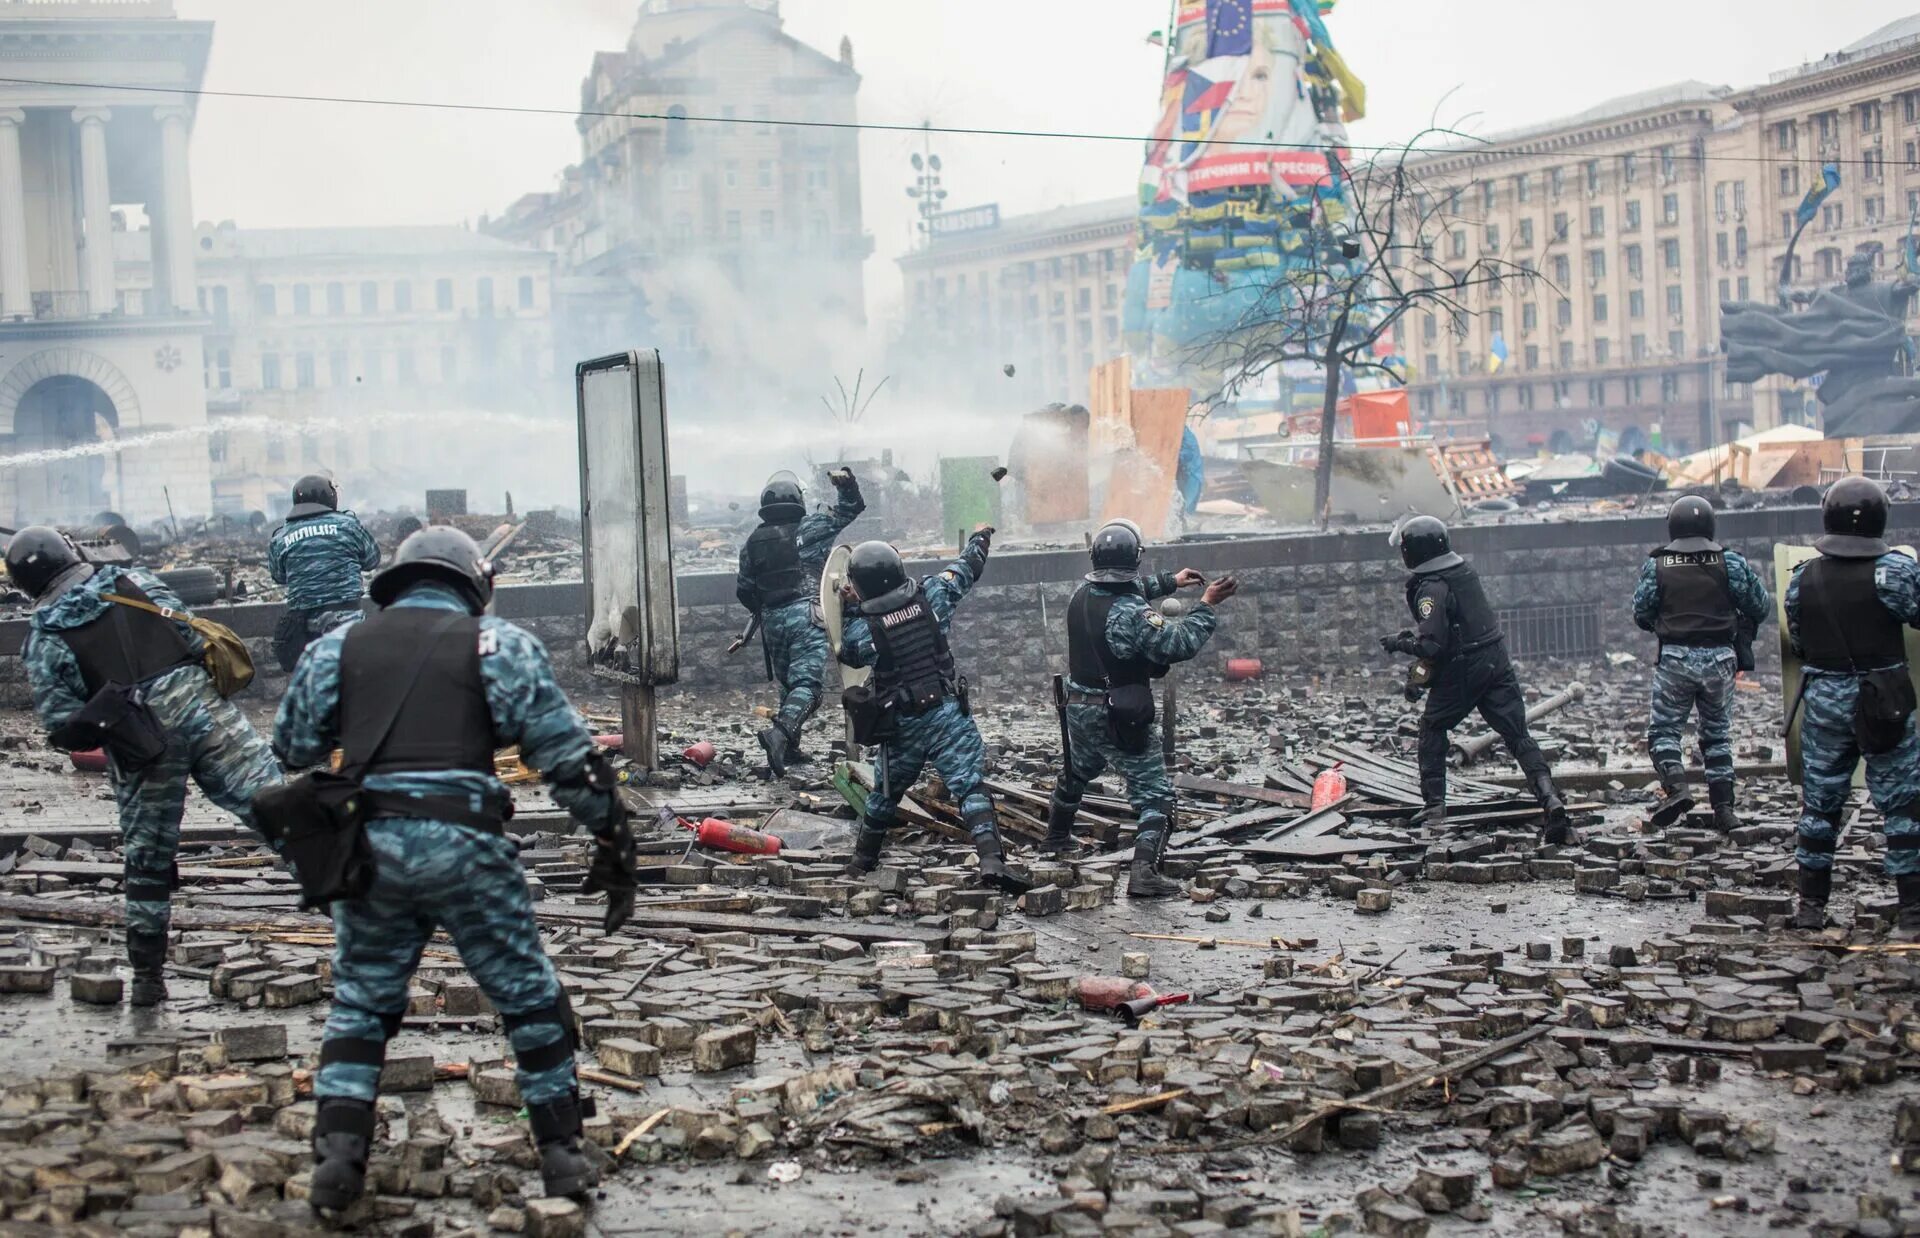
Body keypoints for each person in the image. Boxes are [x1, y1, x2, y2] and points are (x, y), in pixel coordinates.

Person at [272, 527, 632, 1213]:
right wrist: (614, 843)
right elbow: (566, 758)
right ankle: (562, 1159)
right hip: (469, 846)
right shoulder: (498, 644)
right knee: (527, 996)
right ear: (475, 583)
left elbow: (293, 745)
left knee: (361, 1003)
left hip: (369, 848)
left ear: (397, 583)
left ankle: (338, 1165)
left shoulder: (337, 647)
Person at [8, 526, 282, 1006]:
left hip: (141, 741)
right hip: (206, 716)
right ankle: (364, 914)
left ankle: (147, 980)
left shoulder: (46, 635)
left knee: (148, 861)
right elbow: (194, 638)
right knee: (280, 810)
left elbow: (62, 724)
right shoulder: (137, 584)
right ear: (73, 553)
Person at [1048, 519, 1236, 898]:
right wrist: (1206, 606)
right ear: (1134, 559)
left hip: (1078, 706)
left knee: (1077, 770)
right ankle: (1144, 872)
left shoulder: (1081, 594)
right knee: (1156, 796)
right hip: (1115, 714)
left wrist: (1171, 580)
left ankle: (1055, 839)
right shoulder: (1133, 614)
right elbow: (1176, 643)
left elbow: (1126, 592)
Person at [837, 528, 1028, 894]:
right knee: (970, 787)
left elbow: (846, 650)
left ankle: (861, 863)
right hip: (946, 713)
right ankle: (991, 861)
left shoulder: (865, 631)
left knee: (885, 794)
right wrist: (980, 539)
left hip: (902, 723)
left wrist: (847, 608)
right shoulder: (934, 595)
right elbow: (967, 568)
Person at [1378, 515, 1573, 842]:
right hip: (1496, 660)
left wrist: (1400, 643)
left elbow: (1432, 646)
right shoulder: (1462, 571)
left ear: (1414, 553)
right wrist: (1417, 679)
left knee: (1432, 728)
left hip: (1463, 668)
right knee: (1517, 734)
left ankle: (1435, 806)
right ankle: (1549, 798)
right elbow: (1449, 637)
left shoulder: (1431, 587)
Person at [1785, 476, 1920, 934]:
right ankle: (1912, 911)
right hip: (1885, 699)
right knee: (1903, 803)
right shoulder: (1893, 572)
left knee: (1820, 803)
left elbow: (1799, 641)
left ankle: (1810, 908)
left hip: (1824, 700)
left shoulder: (1804, 575)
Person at [1632, 495, 1773, 831]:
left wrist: (1665, 626)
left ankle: (1678, 788)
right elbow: (1760, 605)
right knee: (1717, 736)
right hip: (1721, 659)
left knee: (1664, 732)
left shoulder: (1657, 565)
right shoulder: (1732, 563)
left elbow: (1640, 613)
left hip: (1675, 658)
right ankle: (1724, 811)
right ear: (1710, 525)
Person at [735, 467, 865, 775]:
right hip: (806, 615)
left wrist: (767, 610)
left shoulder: (752, 542)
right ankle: (779, 735)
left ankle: (789, 750)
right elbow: (851, 509)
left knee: (789, 686)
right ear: (797, 499)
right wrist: (847, 485)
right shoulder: (811, 528)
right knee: (808, 687)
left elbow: (744, 590)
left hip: (771, 621)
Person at [268, 475, 381, 672]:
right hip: (347, 619)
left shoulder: (281, 537)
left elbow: (279, 576)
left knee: (311, 680)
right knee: (357, 678)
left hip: (303, 625)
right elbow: (372, 560)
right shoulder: (348, 525)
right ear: (330, 497)